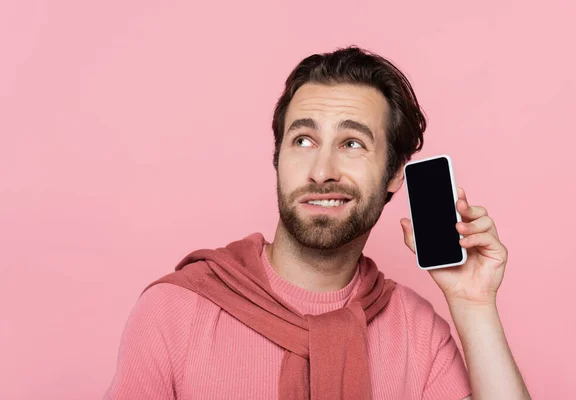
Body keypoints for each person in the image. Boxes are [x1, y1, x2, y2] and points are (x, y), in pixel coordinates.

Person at [104, 46, 530, 400]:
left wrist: (474, 305)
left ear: (395, 173)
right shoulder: (174, 311)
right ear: (278, 158)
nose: (321, 170)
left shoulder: (418, 334)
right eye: (303, 140)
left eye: (351, 143)